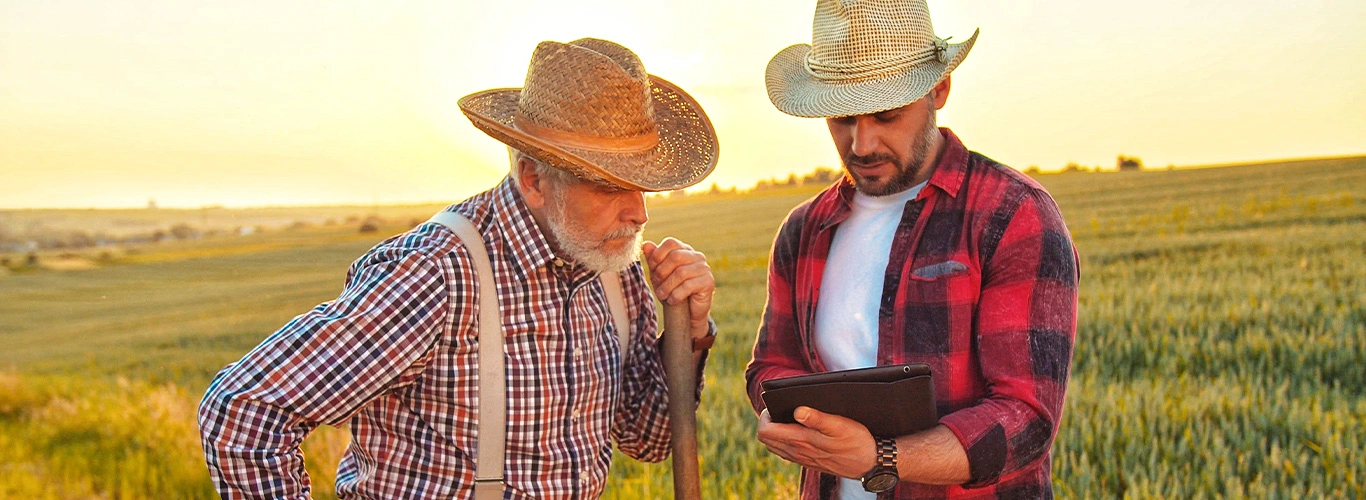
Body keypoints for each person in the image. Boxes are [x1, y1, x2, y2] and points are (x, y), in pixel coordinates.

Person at [199, 38, 721, 499]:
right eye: (609, 186)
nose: (640, 213)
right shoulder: (438, 275)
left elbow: (647, 439)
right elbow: (243, 411)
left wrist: (690, 333)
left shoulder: (611, 264)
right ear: (535, 179)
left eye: (643, 186)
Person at [745, 1, 1080, 498]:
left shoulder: (1013, 214)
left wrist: (880, 458)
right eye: (841, 119)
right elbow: (771, 366)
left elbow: (1025, 416)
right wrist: (793, 414)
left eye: (886, 115)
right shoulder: (803, 230)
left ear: (939, 89)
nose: (861, 144)